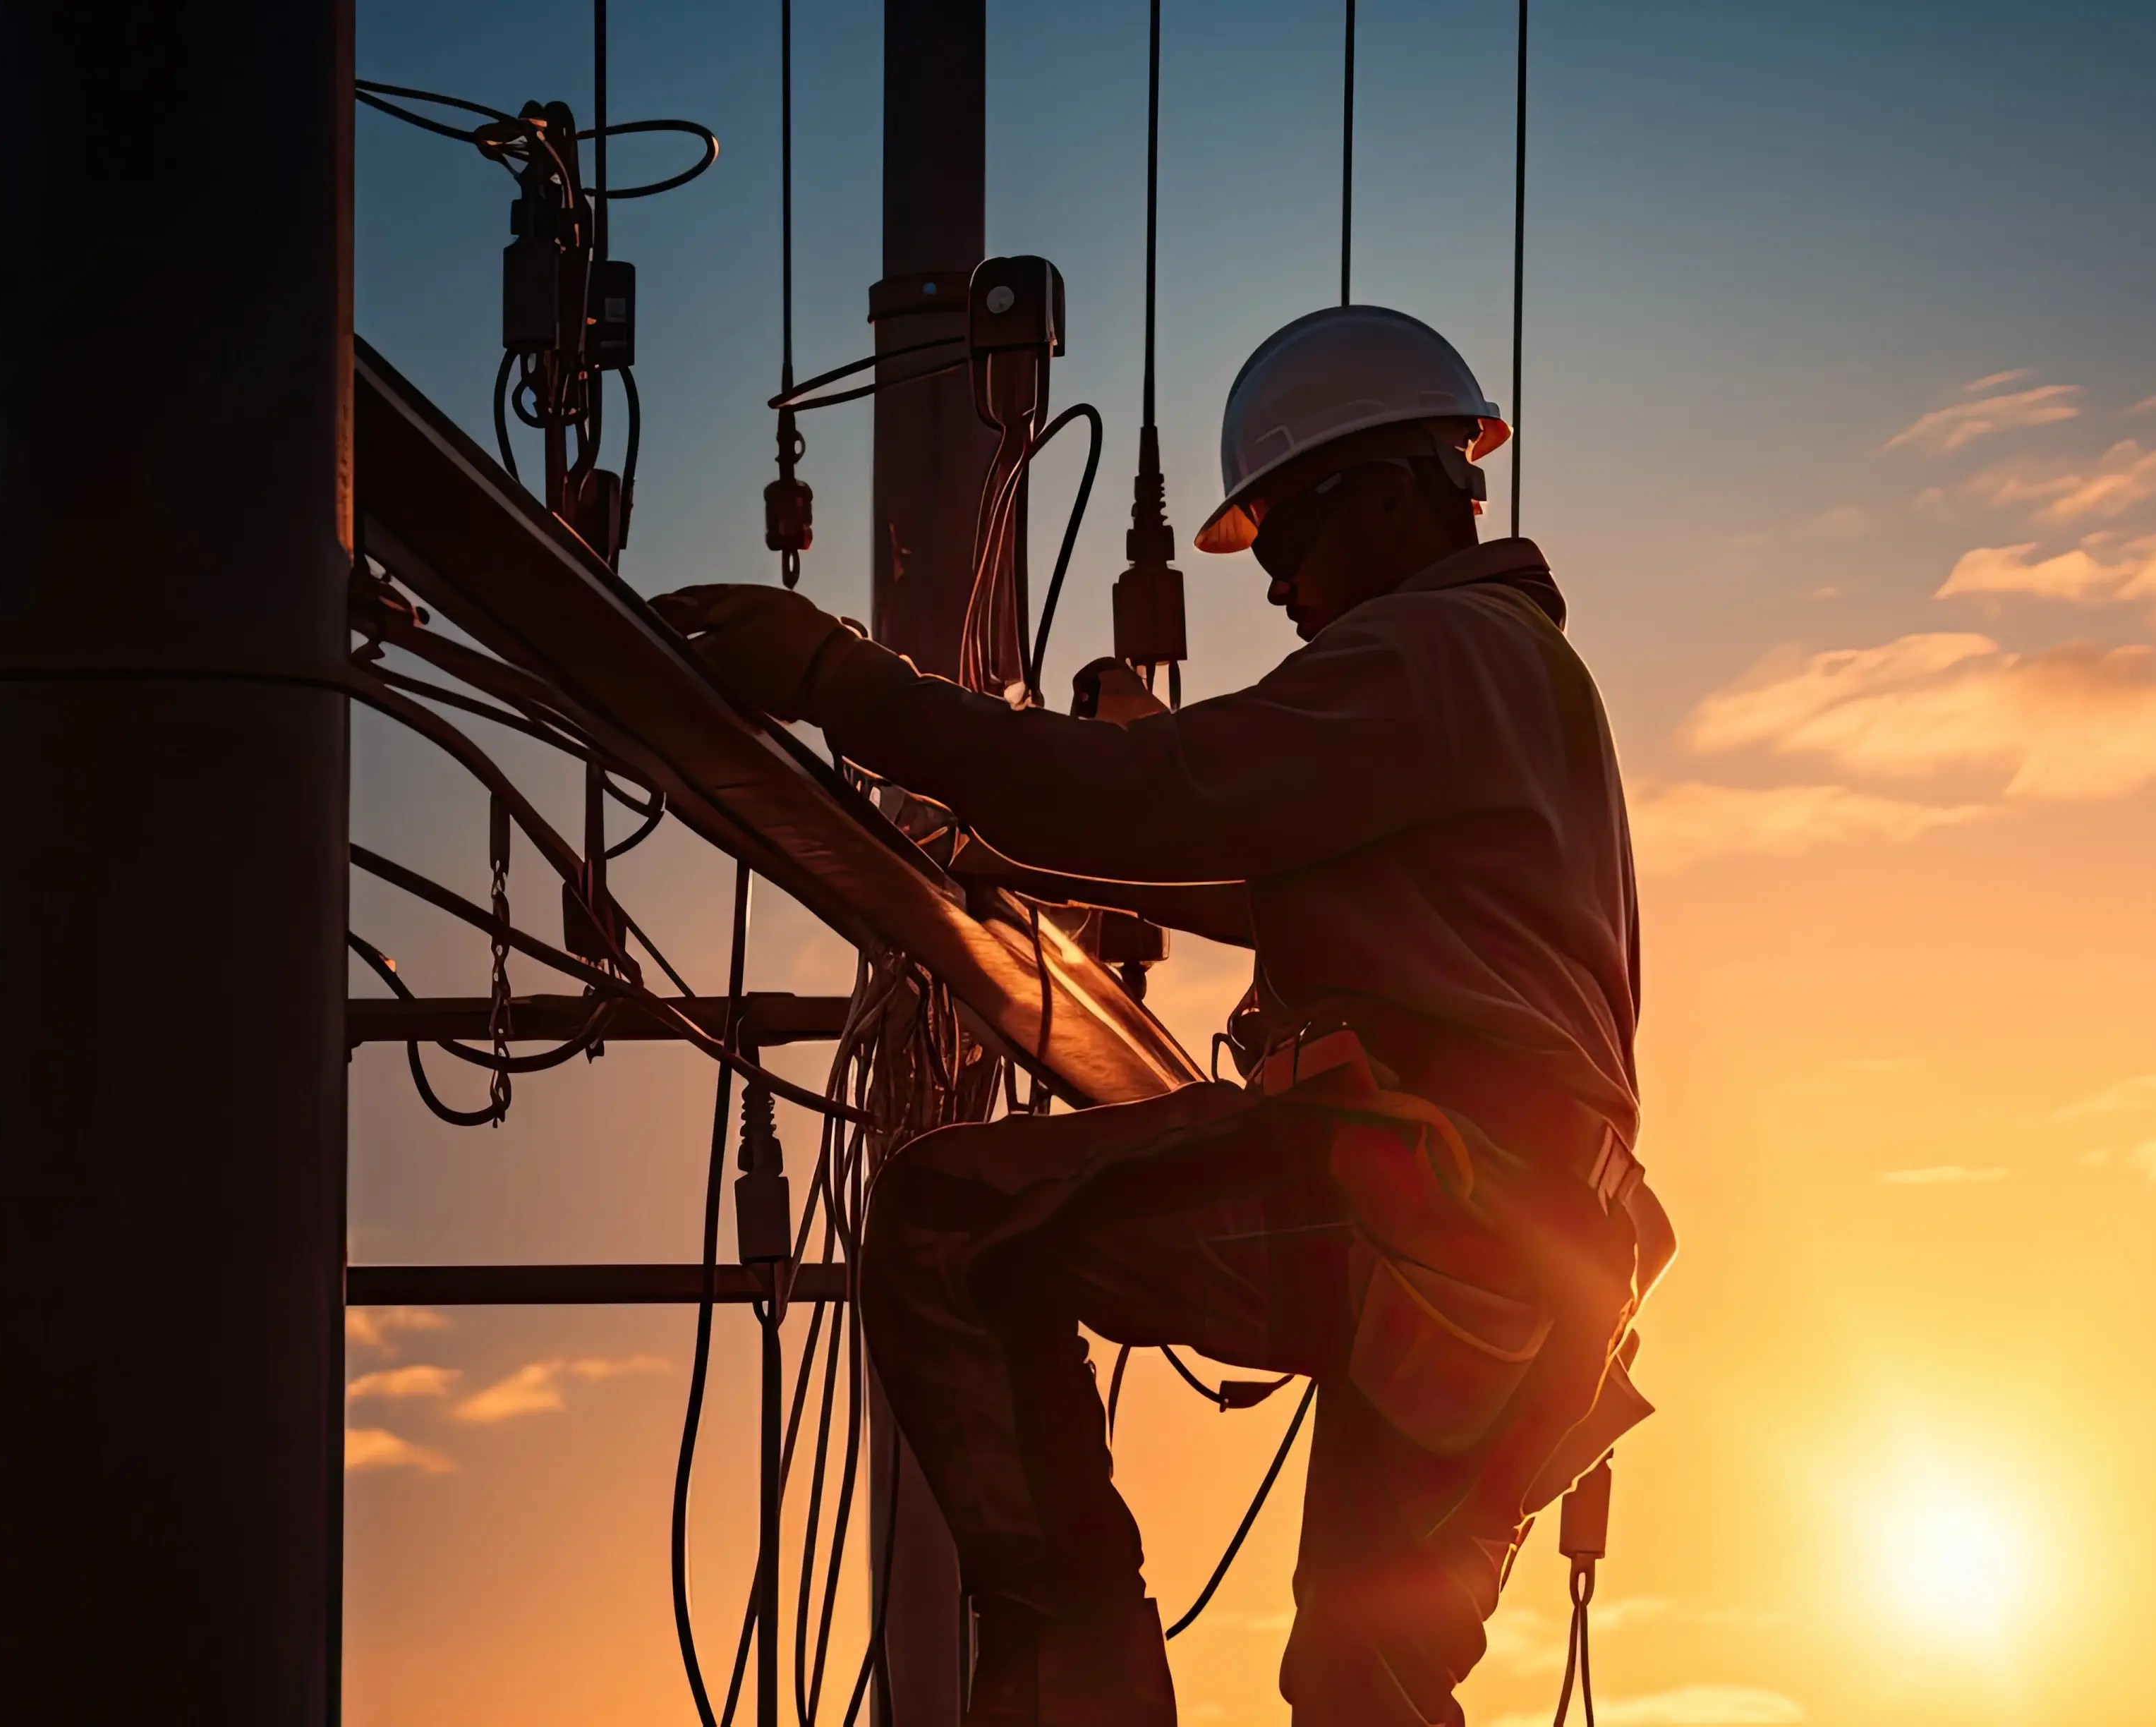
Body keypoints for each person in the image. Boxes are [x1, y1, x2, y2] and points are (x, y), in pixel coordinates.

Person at [654, 305, 1670, 1727]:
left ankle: (1080, 1690)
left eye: (1291, 538)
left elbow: (1164, 798)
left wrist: (845, 688)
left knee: (953, 1227)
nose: (1279, 591)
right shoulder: (1520, 684)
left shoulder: (1433, 652)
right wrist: (1005, 846)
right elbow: (1251, 863)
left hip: (1429, 1209)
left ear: (1387, 495)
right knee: (1363, 1688)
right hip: (1540, 1274)